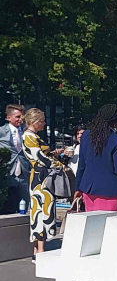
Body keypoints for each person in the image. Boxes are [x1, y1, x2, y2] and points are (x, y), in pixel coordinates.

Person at [75, 105, 117, 214]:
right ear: (115, 123)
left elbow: (81, 165)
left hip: (89, 189)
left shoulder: (85, 136)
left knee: (92, 222)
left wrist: (77, 188)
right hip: (112, 191)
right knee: (113, 223)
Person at [22, 108, 65, 256]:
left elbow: (41, 155)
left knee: (40, 211)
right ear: (34, 121)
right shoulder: (29, 136)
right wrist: (60, 165)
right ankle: (40, 250)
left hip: (40, 176)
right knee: (41, 211)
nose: (44, 123)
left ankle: (37, 250)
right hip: (40, 179)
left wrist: (53, 154)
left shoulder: (33, 136)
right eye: (42, 121)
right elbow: (39, 157)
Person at [0, 104, 29, 214]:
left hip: (23, 171)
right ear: (9, 118)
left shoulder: (26, 132)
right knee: (8, 205)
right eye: (17, 117)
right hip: (8, 171)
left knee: (25, 203)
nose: (20, 119)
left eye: (22, 117)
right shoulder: (2, 131)